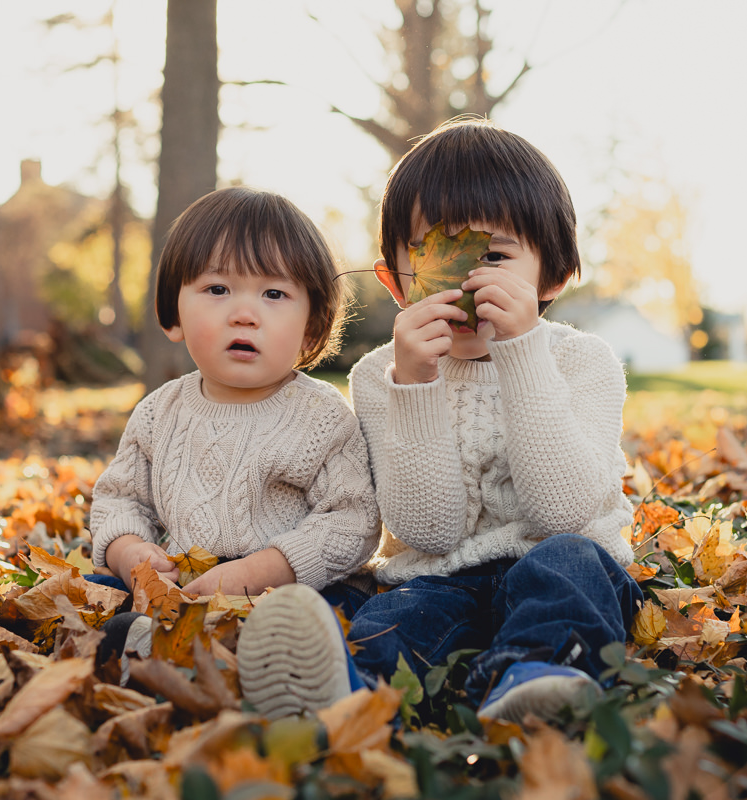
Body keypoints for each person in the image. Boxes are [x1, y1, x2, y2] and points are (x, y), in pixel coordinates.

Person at [237, 119, 640, 723]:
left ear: (552, 275)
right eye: (435, 258)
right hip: (440, 575)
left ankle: (541, 674)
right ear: (394, 281)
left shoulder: (583, 362)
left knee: (569, 571)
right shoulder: (381, 377)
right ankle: (345, 698)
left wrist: (523, 351)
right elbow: (429, 532)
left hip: (559, 559)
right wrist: (417, 388)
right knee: (398, 614)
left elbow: (565, 512)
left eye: (494, 257)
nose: (465, 281)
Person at [90, 186, 380, 678]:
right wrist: (131, 553)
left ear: (311, 328)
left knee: (327, 620)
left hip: (288, 585)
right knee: (97, 597)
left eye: (274, 294)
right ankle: (157, 664)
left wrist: (258, 573)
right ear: (172, 313)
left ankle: (264, 674)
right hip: (183, 585)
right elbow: (119, 500)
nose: (245, 313)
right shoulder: (160, 412)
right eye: (218, 289)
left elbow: (353, 522)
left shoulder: (321, 416)